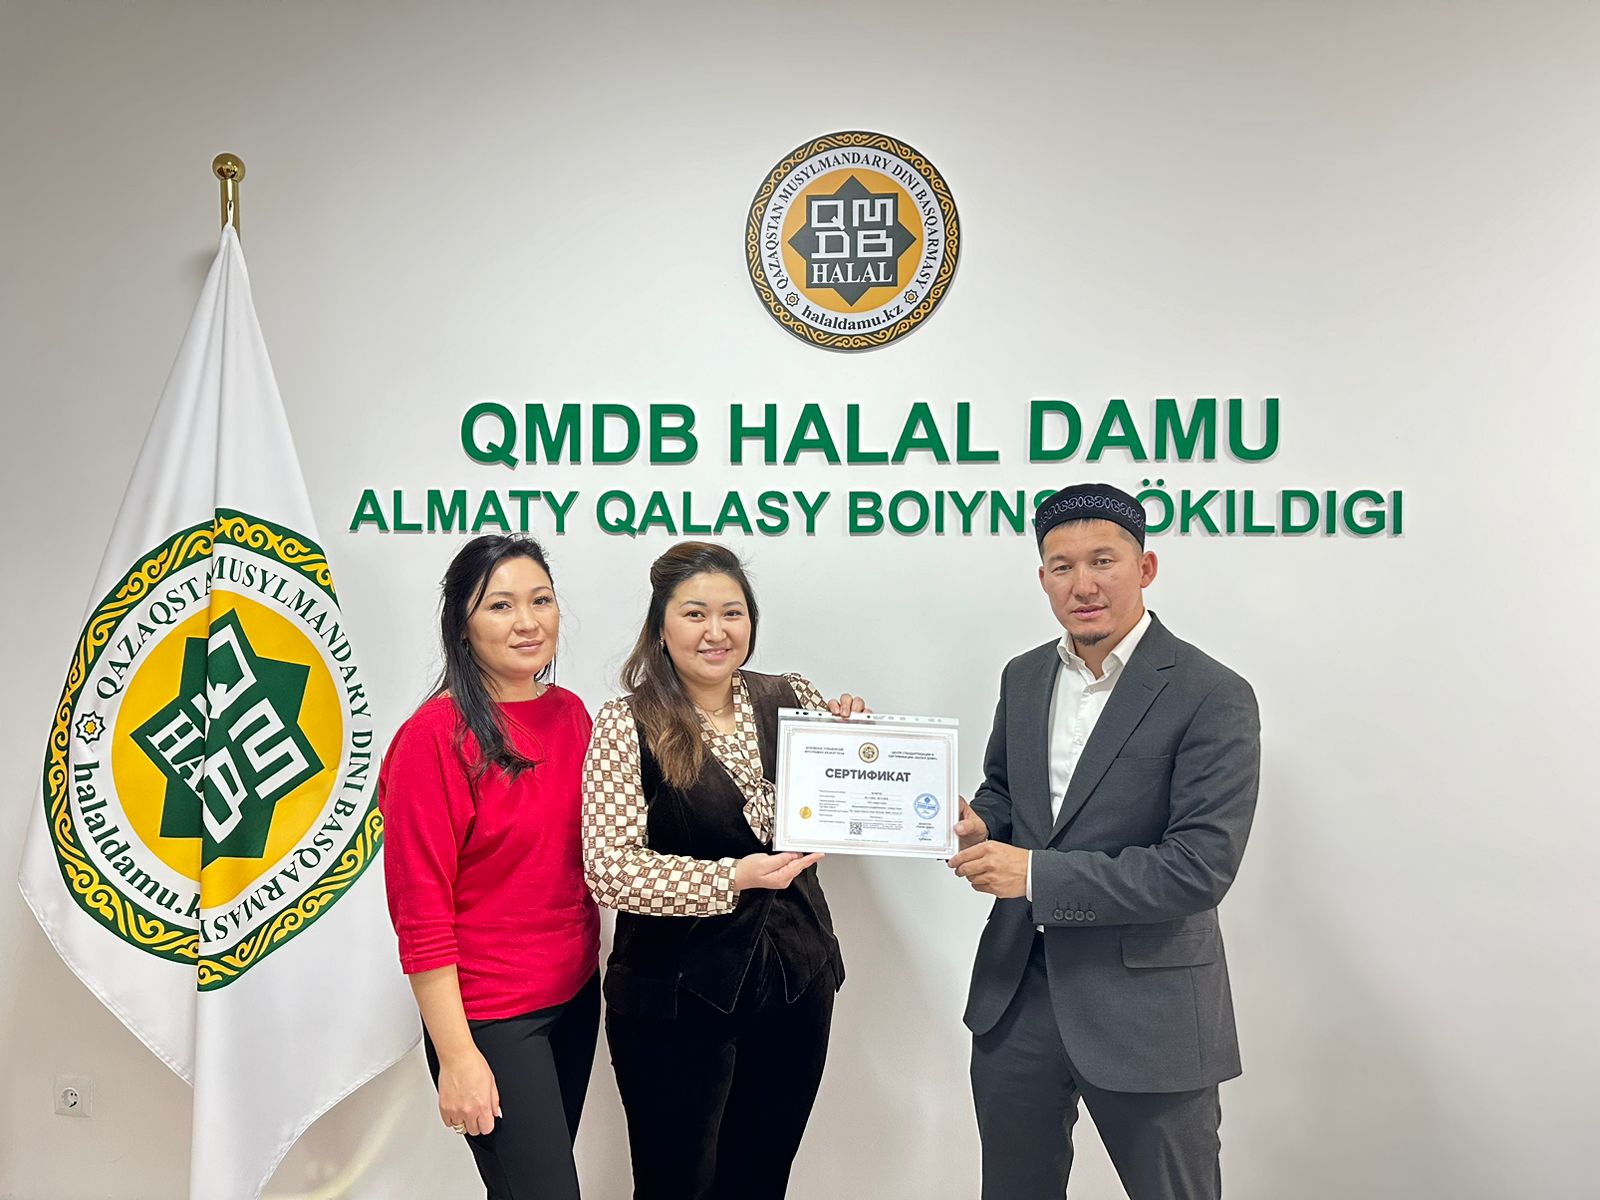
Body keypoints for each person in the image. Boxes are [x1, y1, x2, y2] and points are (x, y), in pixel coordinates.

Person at [948, 483, 1261, 1200]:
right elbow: (1007, 791)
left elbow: (1198, 869)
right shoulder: (1025, 676)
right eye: (1062, 567)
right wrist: (981, 823)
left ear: (1145, 568)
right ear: (1043, 578)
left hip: (1148, 1008)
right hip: (1016, 995)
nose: (1082, 585)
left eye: (1103, 561)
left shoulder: (1212, 693)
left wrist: (1035, 876)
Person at [582, 541, 863, 1200]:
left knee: (761, 1180)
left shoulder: (792, 696)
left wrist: (859, 743)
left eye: (732, 613)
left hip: (796, 983)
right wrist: (734, 878)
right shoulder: (626, 723)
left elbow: (845, 800)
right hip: (674, 997)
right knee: (675, 1185)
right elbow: (609, 869)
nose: (716, 631)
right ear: (660, 627)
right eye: (695, 614)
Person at [379, 534, 600, 1200]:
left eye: (541, 600)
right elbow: (420, 913)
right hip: (494, 1018)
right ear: (463, 625)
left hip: (575, 995)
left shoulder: (570, 714)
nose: (527, 622)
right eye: (500, 605)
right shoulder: (431, 739)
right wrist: (457, 1056)